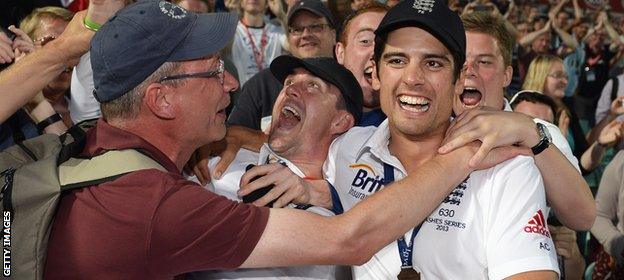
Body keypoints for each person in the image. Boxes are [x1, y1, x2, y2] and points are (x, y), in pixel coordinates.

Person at [34, 1, 512, 278]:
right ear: (160, 100)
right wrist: (466, 151)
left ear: (344, 123)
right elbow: (351, 240)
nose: (231, 85)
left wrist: (323, 189)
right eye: (212, 72)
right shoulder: (172, 199)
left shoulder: (99, 149)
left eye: (313, 87)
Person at [320, 1, 559, 278]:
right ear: (376, 74)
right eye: (397, 60)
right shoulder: (344, 150)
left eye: (433, 63)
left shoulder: (507, 168)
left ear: (459, 80)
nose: (413, 78)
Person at [191, 56, 360, 280]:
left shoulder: (350, 208)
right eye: (289, 83)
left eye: (313, 86)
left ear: (340, 122)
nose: (291, 90)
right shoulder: (216, 162)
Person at [451, 11, 595, 231]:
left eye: (484, 62)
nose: (469, 71)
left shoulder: (543, 133)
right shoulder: (427, 131)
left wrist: (531, 137)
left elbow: (582, 217)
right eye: (460, 61)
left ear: (507, 76)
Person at [227, 0, 337, 130]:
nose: (306, 34)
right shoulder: (261, 85)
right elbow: (233, 136)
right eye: (297, 29)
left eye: (316, 26)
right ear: (290, 37)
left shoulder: (349, 82)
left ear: (334, 34)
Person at [335, 3, 388, 127]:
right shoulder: (317, 115)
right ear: (340, 53)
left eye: (385, 42)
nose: (376, 52)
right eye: (365, 41)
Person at [229, 0, 285, 85]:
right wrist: (232, 17)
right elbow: (222, 51)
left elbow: (293, 47)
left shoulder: (277, 31)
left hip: (272, 94)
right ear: (241, 3)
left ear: (267, 4)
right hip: (243, 95)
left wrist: (281, 16)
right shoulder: (233, 31)